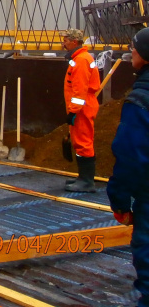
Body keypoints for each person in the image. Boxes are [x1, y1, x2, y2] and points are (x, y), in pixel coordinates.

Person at [108, 26, 149, 306]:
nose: (130, 54)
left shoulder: (141, 100)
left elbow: (131, 155)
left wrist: (121, 201)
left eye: (133, 50)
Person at [60, 28, 101, 193]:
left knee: (83, 142)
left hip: (82, 108)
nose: (63, 42)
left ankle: (86, 181)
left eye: (66, 40)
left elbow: (79, 90)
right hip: (82, 106)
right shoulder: (80, 58)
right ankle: (83, 177)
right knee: (79, 141)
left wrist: (73, 111)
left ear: (74, 42)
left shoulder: (81, 60)